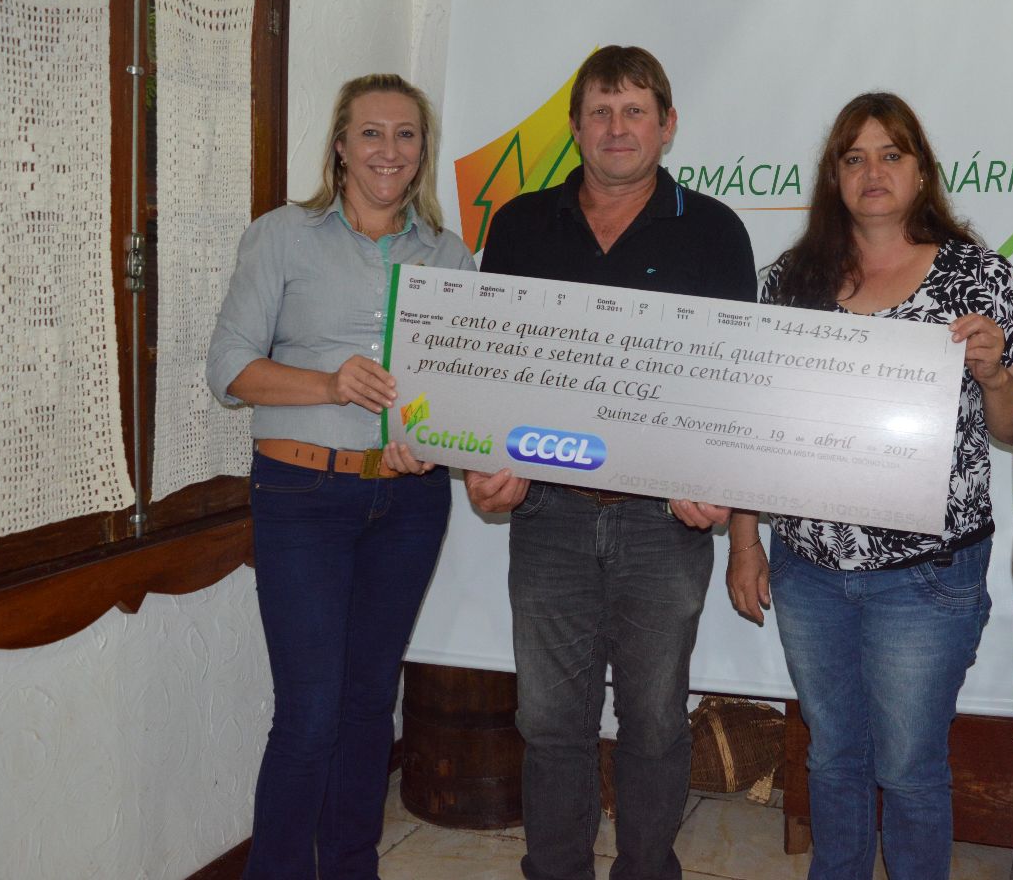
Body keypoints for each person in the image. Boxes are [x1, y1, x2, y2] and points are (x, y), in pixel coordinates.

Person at [724, 92, 1013, 880]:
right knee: (832, 755)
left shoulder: (978, 278)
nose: (873, 171)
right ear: (834, 176)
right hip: (808, 568)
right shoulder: (788, 282)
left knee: (908, 769)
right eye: (855, 157)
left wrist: (996, 373)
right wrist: (743, 541)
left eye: (891, 154)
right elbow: (757, 425)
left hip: (927, 576)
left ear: (921, 171)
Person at [462, 46, 756, 880]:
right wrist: (484, 460)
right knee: (550, 721)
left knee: (656, 722)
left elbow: (734, 385)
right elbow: (492, 368)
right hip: (546, 513)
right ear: (575, 127)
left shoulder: (715, 230)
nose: (617, 128)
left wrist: (720, 487)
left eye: (634, 111)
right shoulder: (519, 224)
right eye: (600, 111)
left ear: (668, 125)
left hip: (663, 522)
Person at [206, 74, 475, 879]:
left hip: (410, 503)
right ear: (340, 146)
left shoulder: (449, 254)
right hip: (303, 499)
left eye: (406, 134)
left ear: (422, 151)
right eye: (371, 133)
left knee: (369, 706)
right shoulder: (283, 236)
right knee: (310, 713)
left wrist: (432, 441)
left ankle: (353, 867)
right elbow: (229, 370)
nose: (389, 150)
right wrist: (330, 384)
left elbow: (459, 386)